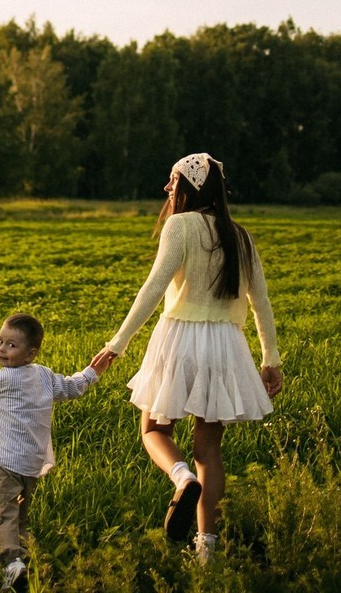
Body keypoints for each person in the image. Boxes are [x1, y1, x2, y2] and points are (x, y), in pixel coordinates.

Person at [93, 153, 282, 564]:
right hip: (225, 346)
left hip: (179, 339)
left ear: (189, 187)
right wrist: (271, 359)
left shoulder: (179, 226)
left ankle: (181, 479)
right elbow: (260, 303)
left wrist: (117, 344)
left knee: (153, 430)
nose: (167, 189)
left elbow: (153, 287)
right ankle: (206, 550)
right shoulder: (240, 236)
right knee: (209, 449)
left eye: (172, 181)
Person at [0, 313, 111, 591]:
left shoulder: (3, 379)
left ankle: (10, 563)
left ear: (30, 354)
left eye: (11, 345)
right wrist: (92, 372)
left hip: (3, 461)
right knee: (20, 516)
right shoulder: (43, 374)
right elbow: (71, 387)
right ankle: (24, 564)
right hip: (31, 463)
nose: (2, 349)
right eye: (0, 341)